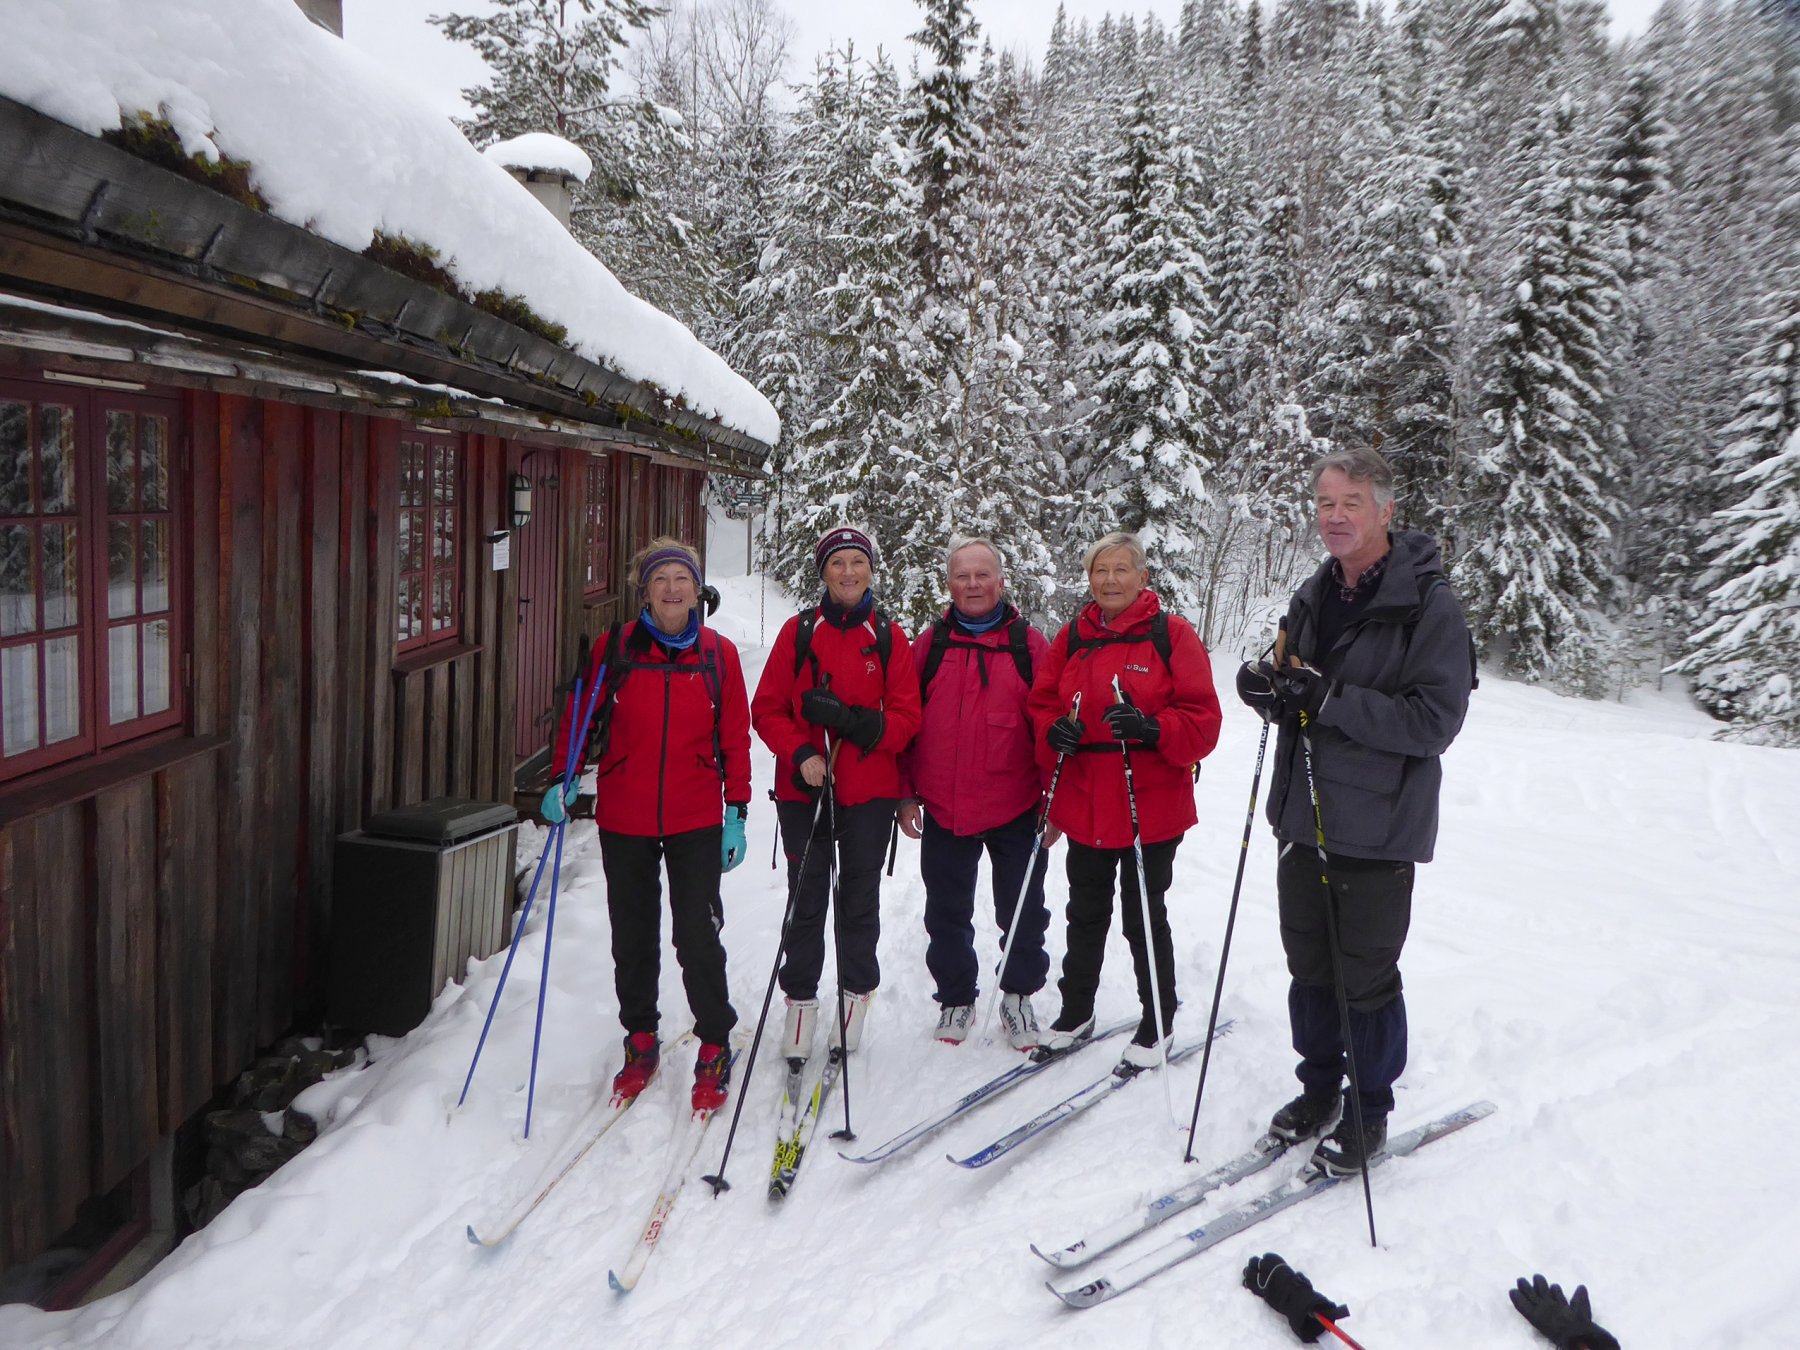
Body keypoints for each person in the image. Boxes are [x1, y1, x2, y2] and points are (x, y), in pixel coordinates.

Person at [1236, 445, 1475, 1175]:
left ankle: (1369, 1109)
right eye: (1325, 503)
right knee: (1309, 967)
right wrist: (1268, 688)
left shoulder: (1426, 604)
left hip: (1378, 824)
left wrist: (1330, 701)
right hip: (1303, 813)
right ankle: (1319, 1090)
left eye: (1351, 504)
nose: (1335, 517)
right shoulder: (1315, 593)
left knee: (1364, 975)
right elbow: (1297, 684)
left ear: (1386, 510)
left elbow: (1434, 722)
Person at [543, 537, 751, 1113]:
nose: (672, 589)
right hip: (626, 813)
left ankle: (714, 1039)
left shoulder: (718, 653)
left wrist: (738, 809)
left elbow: (736, 734)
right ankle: (640, 1036)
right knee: (632, 935)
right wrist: (563, 779)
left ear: (696, 587)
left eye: (681, 579)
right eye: (661, 580)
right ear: (645, 591)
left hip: (696, 815)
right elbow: (581, 715)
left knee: (696, 933)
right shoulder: (616, 648)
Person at [1027, 531, 1222, 1069]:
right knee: (1084, 909)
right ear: (1088, 579)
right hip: (1086, 794)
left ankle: (1158, 1017)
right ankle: (1076, 1010)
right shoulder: (1072, 637)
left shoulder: (1171, 635)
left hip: (1148, 801)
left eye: (1120, 570)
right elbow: (1042, 702)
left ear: (1143, 577)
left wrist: (1152, 727)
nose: (1110, 580)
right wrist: (1053, 731)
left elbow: (1204, 719)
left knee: (1142, 912)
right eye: (1100, 571)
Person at [751, 526, 921, 1064]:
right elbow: (767, 708)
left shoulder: (890, 636)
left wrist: (852, 722)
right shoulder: (800, 631)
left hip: (868, 793)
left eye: (857, 562)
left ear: (871, 569)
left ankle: (853, 1001)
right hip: (805, 791)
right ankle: (800, 1003)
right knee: (805, 901)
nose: (847, 572)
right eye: (837, 563)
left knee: (858, 903)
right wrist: (802, 752)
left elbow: (907, 720)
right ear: (822, 572)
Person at [897, 537, 1054, 1049]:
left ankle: (1017, 997)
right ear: (949, 584)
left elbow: (1054, 729)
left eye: (982, 575)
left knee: (1024, 910)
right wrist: (904, 793)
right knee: (946, 910)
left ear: (1001, 581)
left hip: (1018, 807)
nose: (972, 585)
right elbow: (904, 723)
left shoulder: (1030, 646)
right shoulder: (929, 646)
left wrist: (1055, 804)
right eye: (962, 576)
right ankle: (957, 998)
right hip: (945, 806)